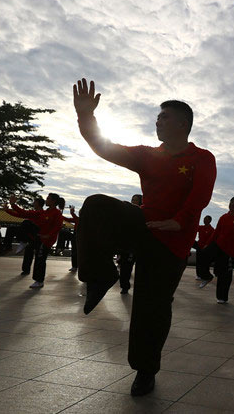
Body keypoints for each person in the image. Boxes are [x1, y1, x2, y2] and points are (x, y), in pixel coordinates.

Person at [73, 78, 216, 396]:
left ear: (183, 123)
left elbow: (201, 194)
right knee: (96, 205)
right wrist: (86, 116)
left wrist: (179, 222)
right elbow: (103, 146)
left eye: (163, 117)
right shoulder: (147, 155)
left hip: (172, 243)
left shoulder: (201, 158)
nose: (158, 122)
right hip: (144, 226)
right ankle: (100, 275)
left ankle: (145, 370)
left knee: (151, 307)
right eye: (157, 117)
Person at [7, 193, 64, 289]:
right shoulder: (44, 212)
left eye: (48, 199)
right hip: (38, 237)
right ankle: (23, 241)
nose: (46, 200)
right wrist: (13, 205)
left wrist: (48, 236)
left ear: (53, 201)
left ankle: (39, 280)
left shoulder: (57, 213)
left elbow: (57, 227)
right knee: (25, 223)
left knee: (40, 259)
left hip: (46, 240)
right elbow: (25, 213)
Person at [198, 197, 234, 302]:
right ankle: (206, 276)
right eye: (231, 203)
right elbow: (216, 232)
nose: (232, 205)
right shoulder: (223, 217)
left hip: (230, 250)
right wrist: (208, 244)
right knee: (203, 254)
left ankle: (222, 297)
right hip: (218, 245)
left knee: (224, 274)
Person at [118, 194, 143, 294]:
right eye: (132, 199)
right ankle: (125, 286)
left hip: (136, 245)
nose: (133, 201)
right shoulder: (127, 212)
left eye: (135, 200)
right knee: (125, 268)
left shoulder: (142, 212)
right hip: (127, 246)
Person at [193, 215, 214, 280]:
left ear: (209, 221)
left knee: (204, 262)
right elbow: (193, 228)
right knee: (198, 261)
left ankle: (204, 275)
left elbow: (211, 240)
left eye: (206, 219)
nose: (204, 220)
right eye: (204, 219)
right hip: (199, 246)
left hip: (206, 249)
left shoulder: (211, 229)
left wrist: (207, 246)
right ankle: (198, 275)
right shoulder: (201, 227)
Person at [64, 206, 80, 273]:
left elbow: (71, 218)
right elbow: (68, 219)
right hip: (76, 237)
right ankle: (74, 266)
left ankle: (75, 266)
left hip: (78, 237)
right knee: (74, 252)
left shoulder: (79, 219)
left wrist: (72, 213)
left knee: (75, 252)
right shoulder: (78, 219)